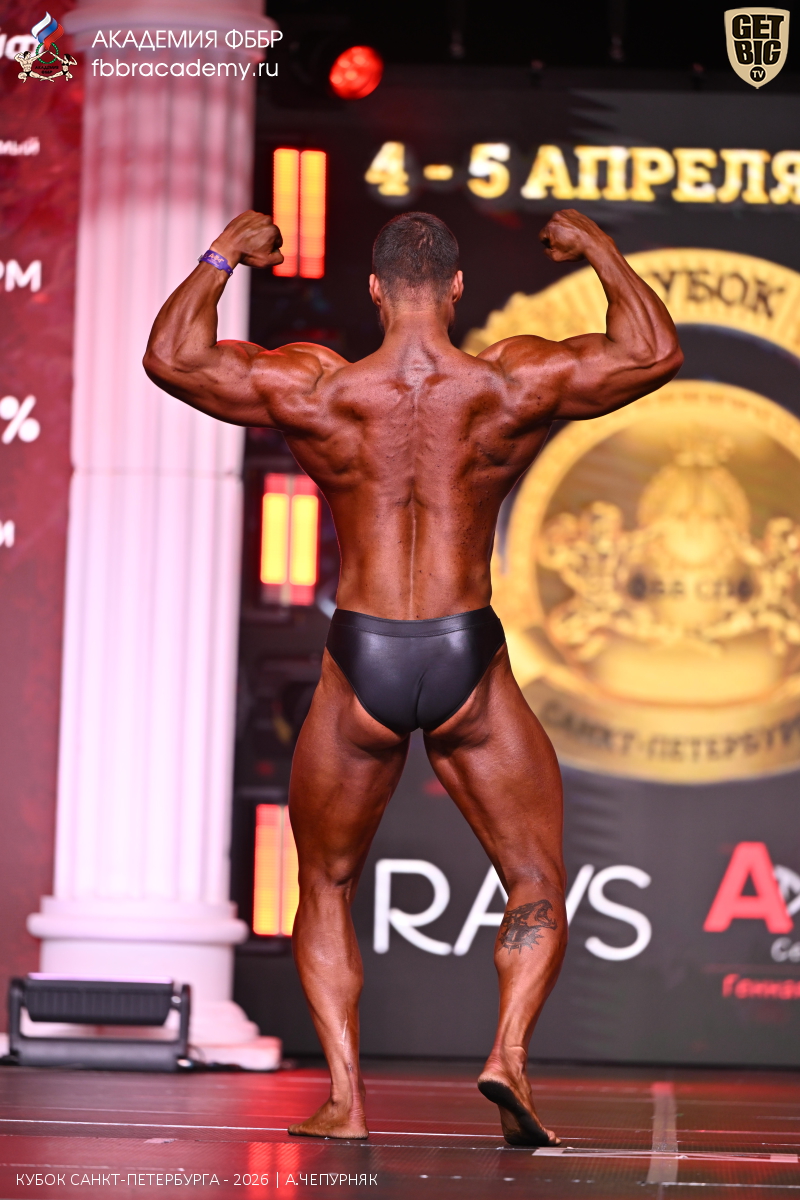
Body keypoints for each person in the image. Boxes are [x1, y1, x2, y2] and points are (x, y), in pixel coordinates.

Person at [144, 208, 682, 1146]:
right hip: (465, 650)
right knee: (534, 876)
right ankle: (508, 1055)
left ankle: (347, 1101)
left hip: (364, 656)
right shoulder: (510, 382)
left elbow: (173, 359)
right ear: (459, 288)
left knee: (326, 884)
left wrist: (223, 254)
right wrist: (598, 250)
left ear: (375, 290)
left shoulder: (321, 387)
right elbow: (653, 352)